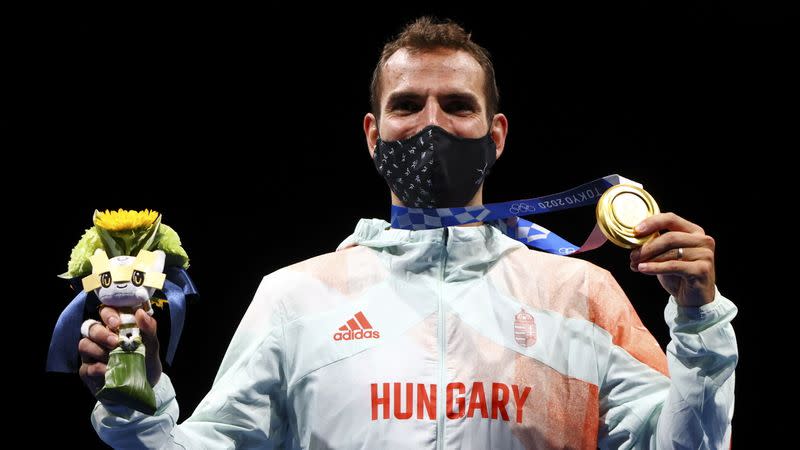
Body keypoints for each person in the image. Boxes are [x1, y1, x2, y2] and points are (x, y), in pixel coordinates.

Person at [79, 17, 737, 449]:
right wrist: (138, 402)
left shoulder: (583, 294)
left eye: (456, 105)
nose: (431, 125)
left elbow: (689, 445)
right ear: (373, 134)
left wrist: (699, 321)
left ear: (495, 134)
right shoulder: (294, 298)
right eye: (406, 105)